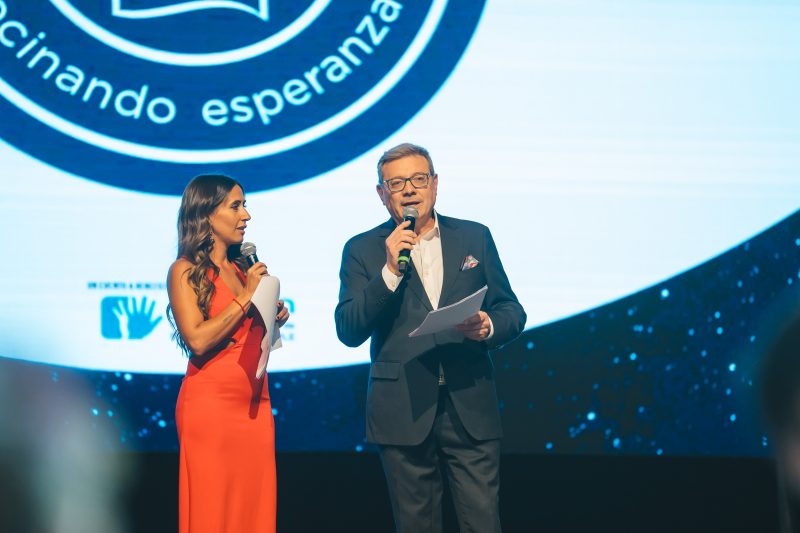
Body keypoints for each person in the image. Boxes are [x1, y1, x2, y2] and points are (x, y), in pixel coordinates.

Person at [335, 143, 526, 532]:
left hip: (469, 403)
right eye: (396, 183)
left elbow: (511, 310)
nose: (409, 190)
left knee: (483, 522)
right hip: (402, 405)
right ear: (382, 194)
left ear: (435, 184)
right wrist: (389, 272)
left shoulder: (474, 237)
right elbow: (349, 329)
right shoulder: (362, 249)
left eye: (419, 179)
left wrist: (488, 324)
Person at [166, 174, 289, 533]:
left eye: (244, 205)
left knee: (253, 510)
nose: (245, 215)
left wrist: (272, 317)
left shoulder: (241, 268)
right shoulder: (184, 270)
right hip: (212, 408)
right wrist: (247, 296)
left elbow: (247, 333)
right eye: (235, 206)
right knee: (213, 509)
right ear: (206, 213)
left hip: (255, 404)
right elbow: (197, 340)